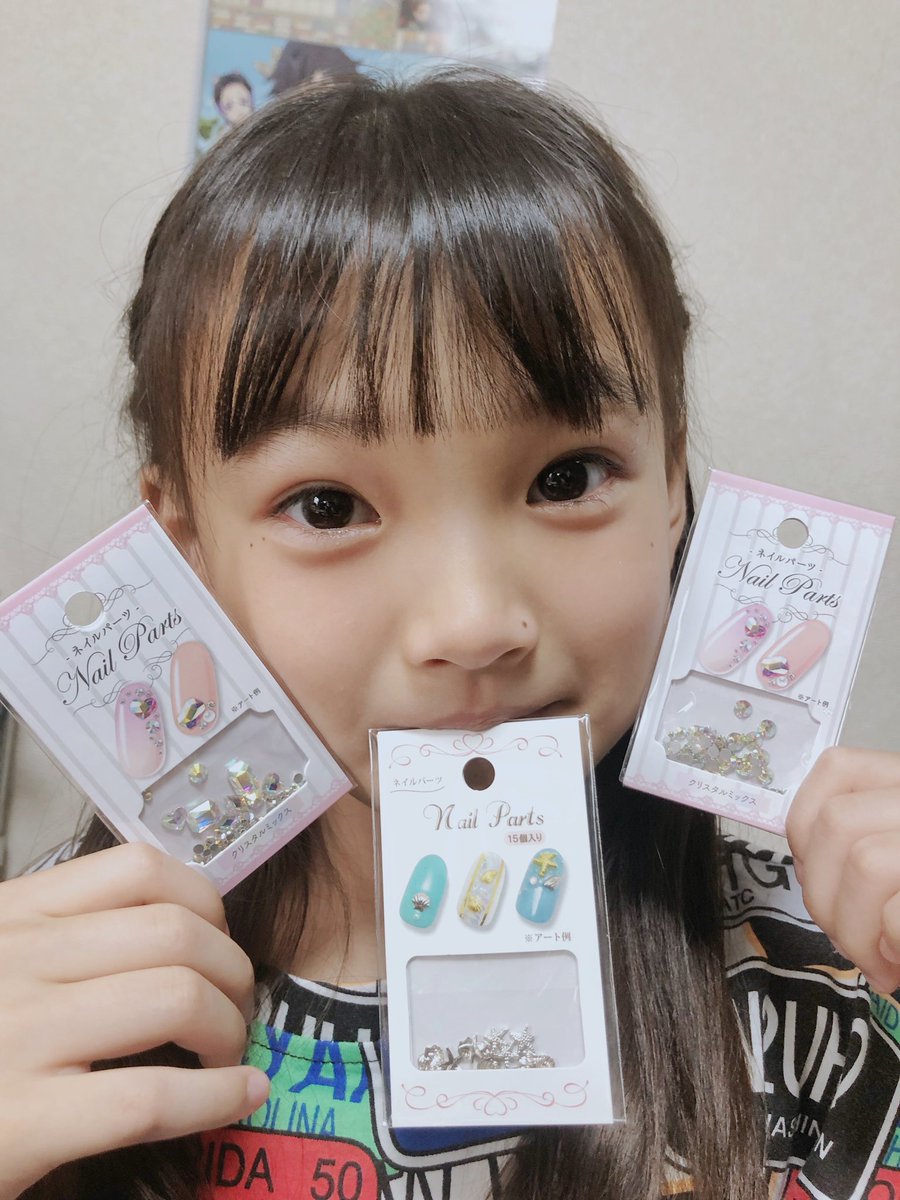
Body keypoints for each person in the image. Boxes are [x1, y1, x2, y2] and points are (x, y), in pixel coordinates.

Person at [1, 70, 898, 1200]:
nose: (472, 625)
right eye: (327, 505)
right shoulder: (51, 990)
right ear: (183, 548)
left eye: (568, 477)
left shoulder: (837, 973)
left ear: (675, 484)